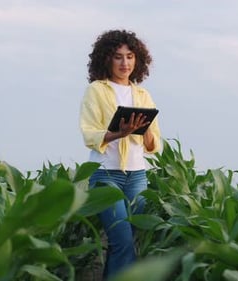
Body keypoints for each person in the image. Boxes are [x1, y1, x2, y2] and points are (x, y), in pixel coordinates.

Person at [79, 29, 161, 279]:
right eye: (118, 57)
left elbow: (155, 143)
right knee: (122, 240)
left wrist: (142, 130)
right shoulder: (96, 90)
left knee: (128, 241)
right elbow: (89, 133)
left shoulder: (142, 95)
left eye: (129, 57)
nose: (124, 63)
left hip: (137, 176)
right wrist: (119, 132)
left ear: (138, 60)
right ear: (107, 59)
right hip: (106, 175)